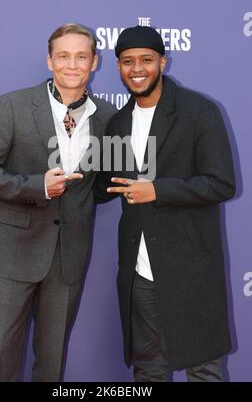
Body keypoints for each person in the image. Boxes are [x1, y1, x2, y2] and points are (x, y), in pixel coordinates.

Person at [0, 23, 116, 382]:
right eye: (63, 56)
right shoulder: (13, 105)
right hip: (13, 252)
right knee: (0, 356)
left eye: (81, 56)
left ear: (94, 62)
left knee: (51, 363)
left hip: (68, 257)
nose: (72, 64)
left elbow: (102, 184)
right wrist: (38, 187)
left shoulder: (109, 117)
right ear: (50, 61)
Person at [94, 25, 236, 382]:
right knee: (149, 371)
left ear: (163, 62)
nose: (137, 68)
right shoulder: (117, 123)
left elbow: (221, 183)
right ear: (118, 67)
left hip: (190, 269)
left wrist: (158, 190)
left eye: (146, 59)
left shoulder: (200, 111)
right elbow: (102, 186)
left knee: (204, 370)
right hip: (139, 272)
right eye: (127, 61)